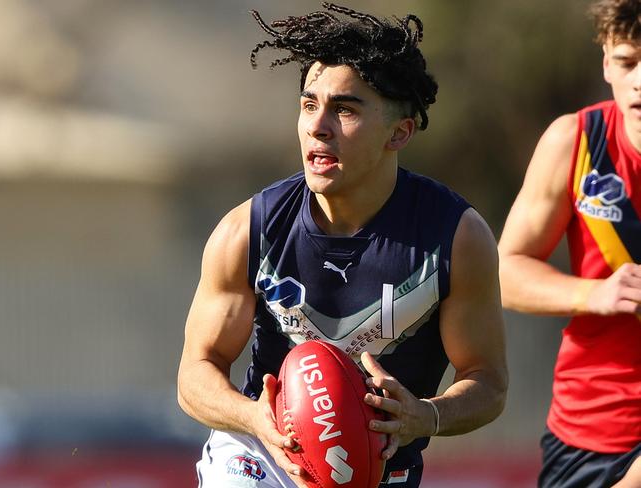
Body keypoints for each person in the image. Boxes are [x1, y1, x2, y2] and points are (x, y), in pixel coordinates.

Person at [178, 3, 508, 487]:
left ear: (400, 132)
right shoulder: (248, 230)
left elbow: (489, 382)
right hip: (263, 455)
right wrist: (254, 419)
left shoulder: (455, 237)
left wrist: (425, 416)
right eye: (309, 105)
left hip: (379, 470)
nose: (318, 125)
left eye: (345, 109)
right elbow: (195, 375)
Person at [498, 1, 641, 486]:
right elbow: (508, 272)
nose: (639, 80)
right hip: (584, 431)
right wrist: (594, 294)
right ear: (606, 61)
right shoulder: (576, 141)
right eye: (626, 62)